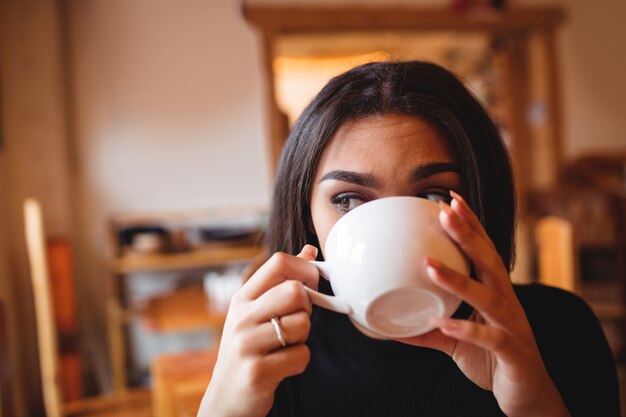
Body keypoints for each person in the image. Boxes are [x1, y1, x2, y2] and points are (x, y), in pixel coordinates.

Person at [198, 61, 620, 417]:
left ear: (481, 199)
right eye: (347, 199)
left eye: (433, 194)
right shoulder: (276, 358)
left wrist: (534, 403)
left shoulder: (562, 331)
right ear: (306, 214)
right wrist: (221, 406)